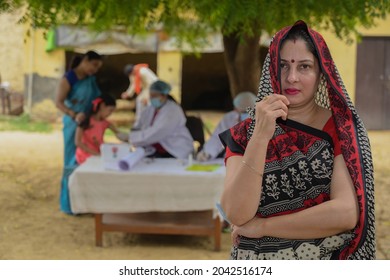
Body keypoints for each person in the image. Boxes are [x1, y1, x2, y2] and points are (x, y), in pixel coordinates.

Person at [218, 20, 375, 260]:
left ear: (321, 72)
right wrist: (260, 136)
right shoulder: (245, 133)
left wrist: (262, 227)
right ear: (271, 70)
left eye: (304, 67)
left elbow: (345, 213)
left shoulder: (341, 129)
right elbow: (236, 213)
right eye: (283, 66)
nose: (292, 77)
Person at [55, 50, 103, 214]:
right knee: (71, 161)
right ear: (86, 60)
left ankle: (84, 204)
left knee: (88, 162)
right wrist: (74, 114)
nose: (94, 70)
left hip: (88, 124)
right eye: (94, 65)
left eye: (98, 68)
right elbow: (59, 102)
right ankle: (69, 205)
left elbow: (97, 99)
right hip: (73, 123)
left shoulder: (91, 80)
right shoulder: (69, 78)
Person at [129, 80, 194, 159]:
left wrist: (131, 137)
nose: (152, 98)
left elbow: (158, 132)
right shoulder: (149, 109)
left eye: (155, 96)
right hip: (155, 150)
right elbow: (139, 125)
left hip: (175, 150)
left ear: (164, 96)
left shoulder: (172, 110)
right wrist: (134, 131)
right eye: (151, 95)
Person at [196, 91, 257, 161]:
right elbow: (217, 137)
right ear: (236, 109)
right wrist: (207, 153)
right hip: (232, 160)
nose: (245, 115)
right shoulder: (229, 118)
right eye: (242, 112)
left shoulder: (262, 119)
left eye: (248, 112)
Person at [75, 95, 128, 165]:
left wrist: (129, 138)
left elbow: (119, 134)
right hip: (84, 157)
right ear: (102, 106)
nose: (110, 114)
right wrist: (96, 154)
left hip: (98, 155)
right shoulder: (85, 120)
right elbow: (78, 142)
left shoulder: (106, 123)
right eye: (110, 110)